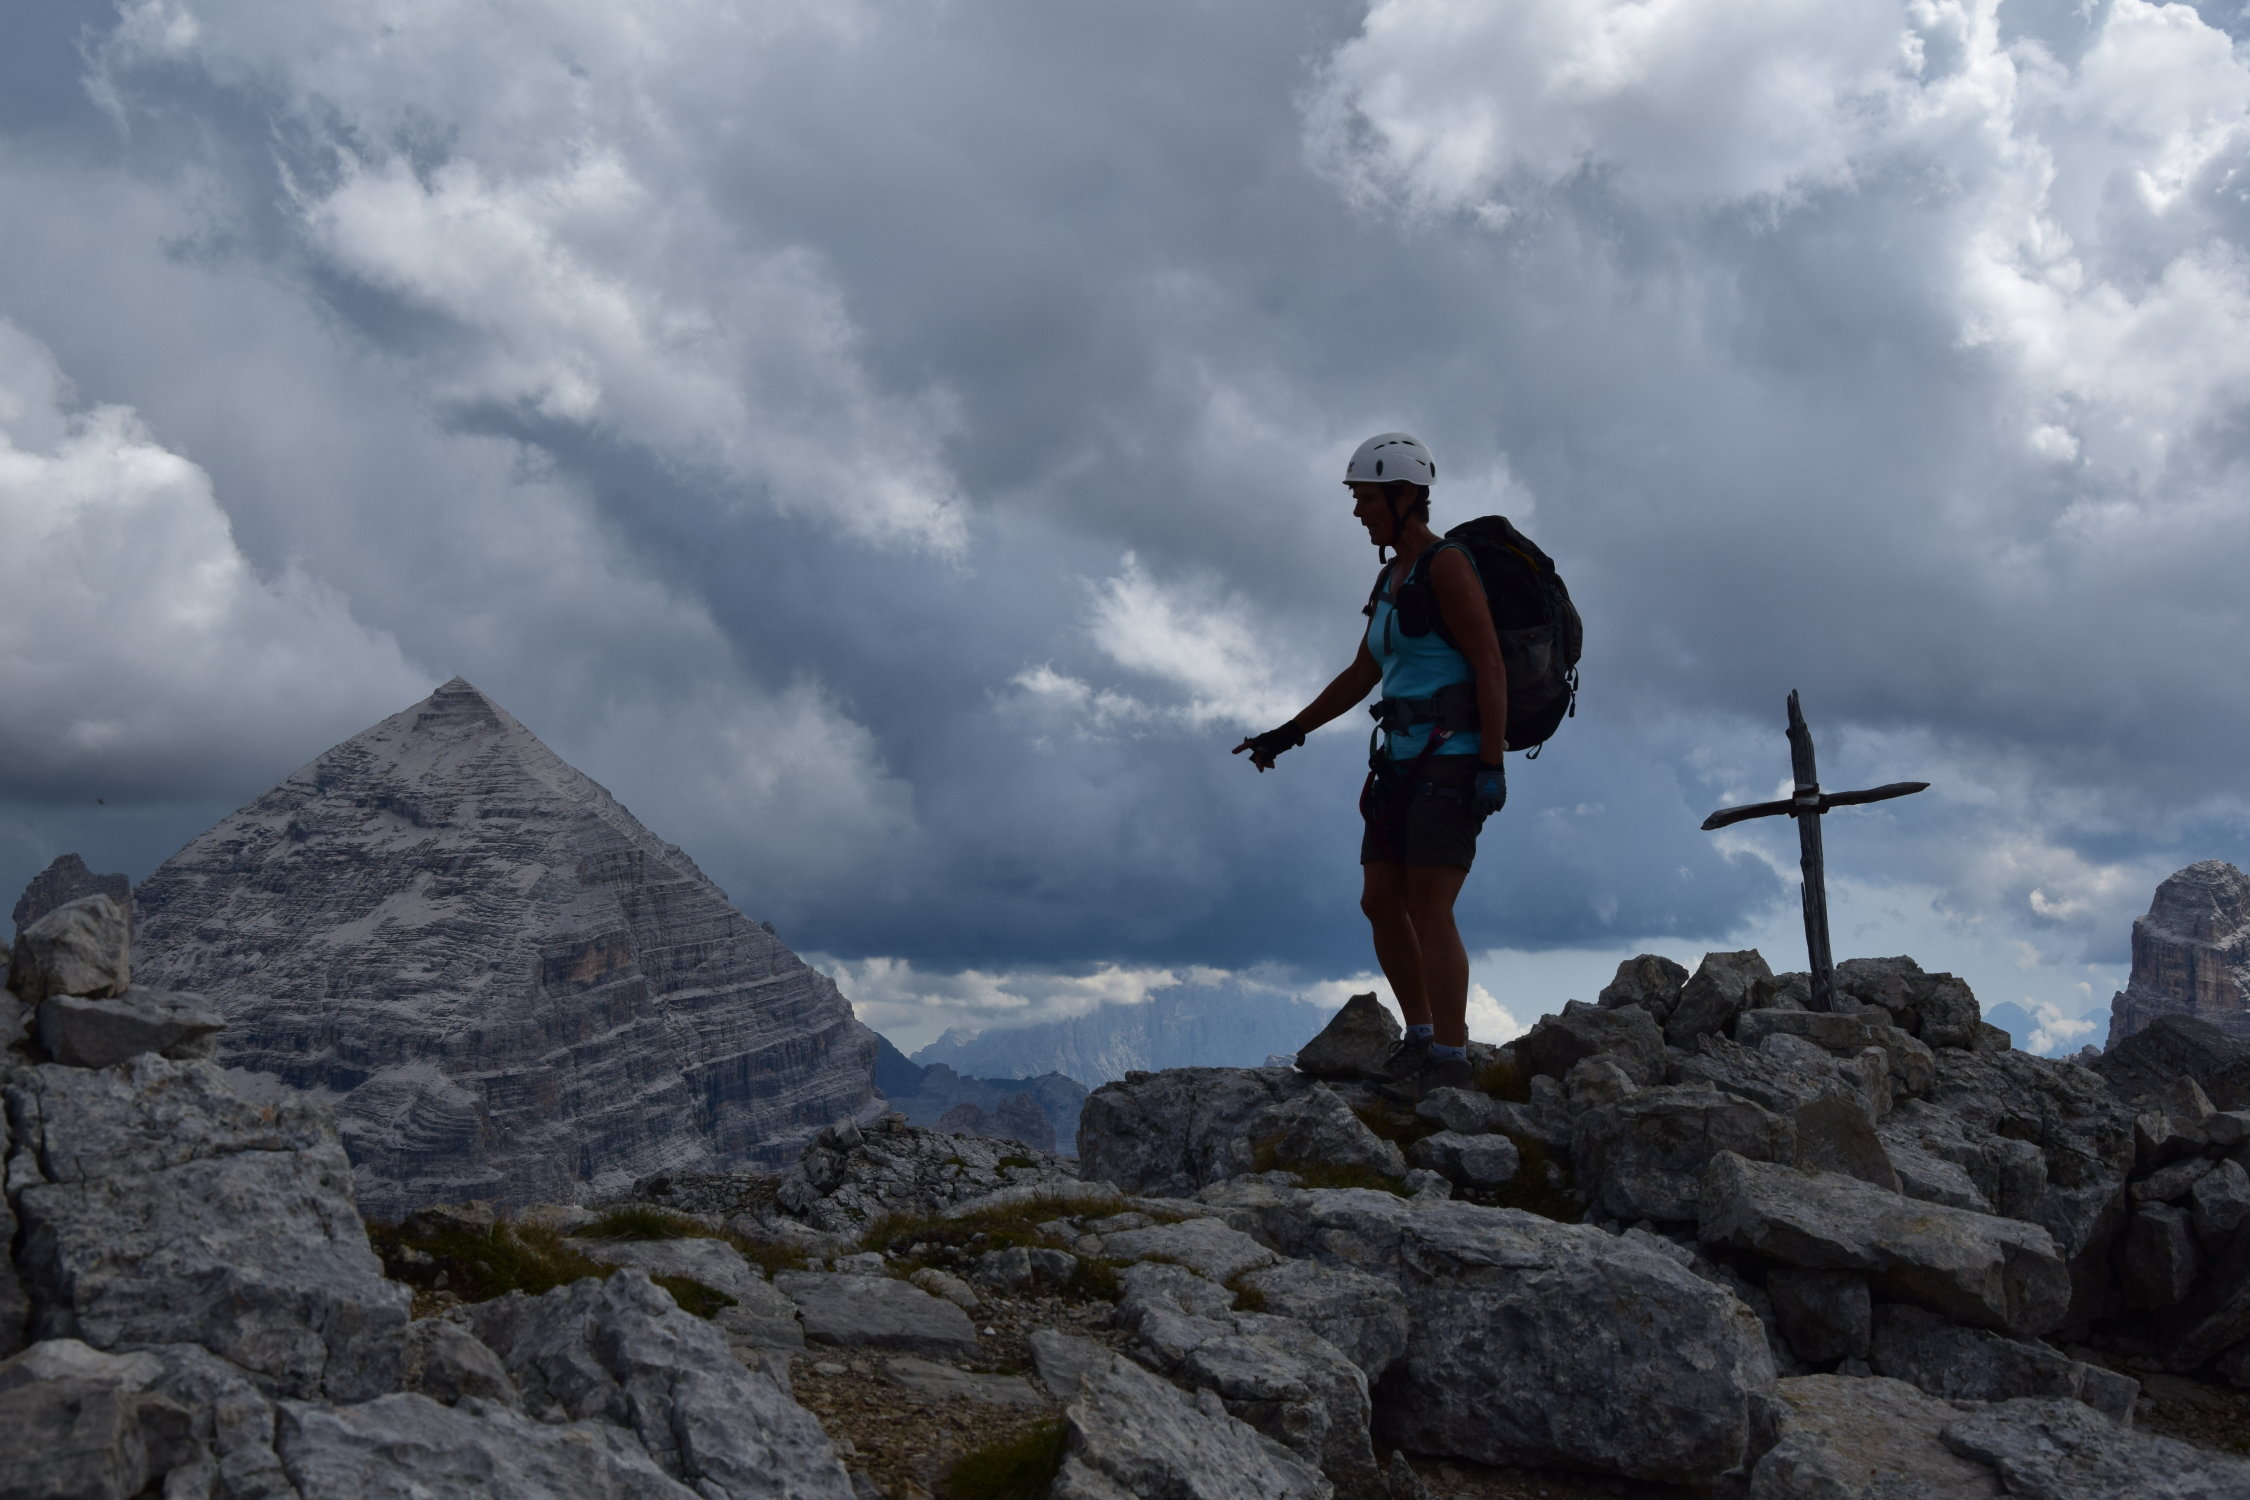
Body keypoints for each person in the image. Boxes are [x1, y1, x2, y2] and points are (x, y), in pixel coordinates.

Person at [1233, 433, 1508, 1098]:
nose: (1358, 512)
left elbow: (1490, 664)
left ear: (1405, 495)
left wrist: (1491, 764)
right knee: (1380, 901)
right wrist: (1288, 733)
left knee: (1431, 906)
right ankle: (1420, 1038)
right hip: (1397, 765)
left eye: (1366, 499)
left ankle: (1450, 1058)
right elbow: (1364, 672)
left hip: (1451, 762)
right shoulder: (1390, 578)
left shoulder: (1449, 567)